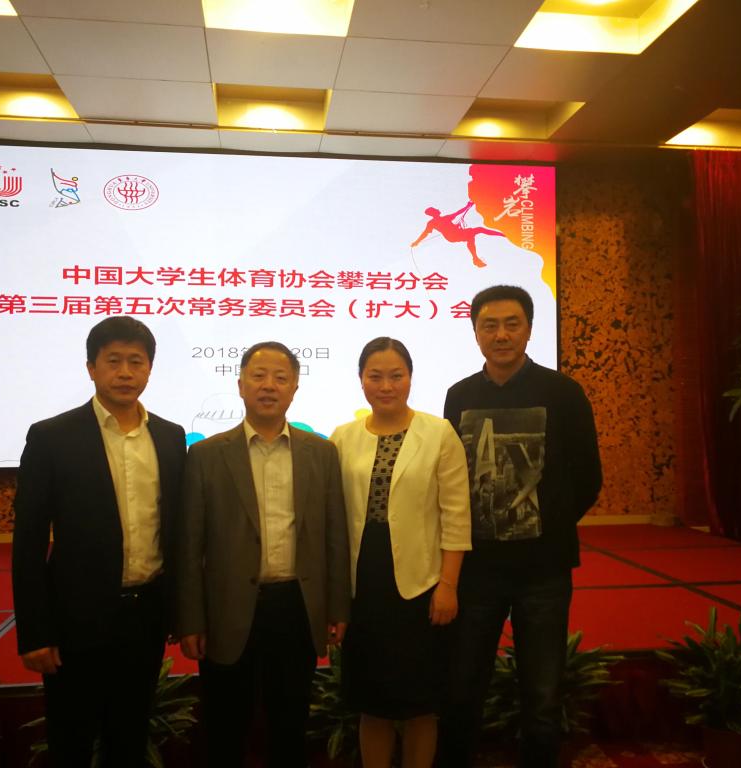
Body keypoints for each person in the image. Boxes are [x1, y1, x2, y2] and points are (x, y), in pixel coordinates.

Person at [437, 285, 602, 768]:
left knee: (543, 693)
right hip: (476, 570)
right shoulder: (459, 396)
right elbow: (453, 478)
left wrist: (547, 524)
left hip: (544, 571)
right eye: (489, 325)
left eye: (512, 324)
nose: (501, 335)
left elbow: (588, 477)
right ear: (475, 333)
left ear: (529, 329)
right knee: (463, 685)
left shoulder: (564, 393)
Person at [11, 316, 186, 767]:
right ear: (91, 368)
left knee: (129, 736)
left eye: (136, 361)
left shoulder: (170, 437)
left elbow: (175, 530)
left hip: (145, 615)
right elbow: (28, 542)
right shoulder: (52, 437)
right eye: (113, 361)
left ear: (150, 369)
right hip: (76, 620)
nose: (125, 372)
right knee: (71, 739)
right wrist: (34, 632)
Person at [175, 341, 350, 768]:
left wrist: (337, 608)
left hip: (295, 606)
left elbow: (334, 536)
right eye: (258, 376)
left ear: (294, 388)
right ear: (240, 385)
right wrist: (191, 619)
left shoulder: (321, 453)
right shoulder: (206, 455)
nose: (268, 385)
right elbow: (190, 544)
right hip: (227, 609)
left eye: (280, 378)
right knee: (226, 726)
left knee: (289, 724)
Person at [330, 337, 471, 768]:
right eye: (375, 376)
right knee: (371, 701)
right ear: (361, 380)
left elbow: (456, 514)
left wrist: (448, 585)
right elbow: (332, 520)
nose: (386, 385)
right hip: (364, 584)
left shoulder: (438, 433)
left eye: (396, 375)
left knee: (419, 703)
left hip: (420, 584)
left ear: (410, 378)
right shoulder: (342, 437)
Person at [410, 201, 505, 268]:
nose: (437, 209)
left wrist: (417, 242)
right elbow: (458, 212)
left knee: (472, 236)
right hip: (454, 235)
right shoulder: (439, 220)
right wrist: (468, 206)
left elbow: (425, 233)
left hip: (453, 236)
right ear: (434, 212)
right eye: (435, 209)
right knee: (477, 230)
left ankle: (475, 258)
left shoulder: (434, 222)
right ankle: (502, 235)